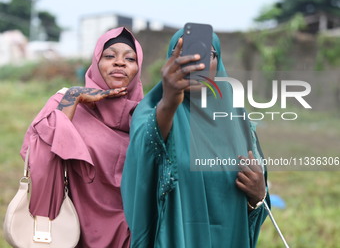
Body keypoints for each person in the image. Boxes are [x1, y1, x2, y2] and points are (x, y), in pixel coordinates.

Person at [121, 28, 270, 247]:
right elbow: (146, 152)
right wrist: (170, 101)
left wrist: (258, 197)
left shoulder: (237, 118)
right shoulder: (154, 111)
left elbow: (254, 199)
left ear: (218, 63)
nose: (195, 62)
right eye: (185, 53)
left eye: (206, 54)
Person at [20, 27, 143, 247]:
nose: (119, 63)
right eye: (109, 56)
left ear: (138, 67)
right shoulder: (65, 102)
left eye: (130, 58)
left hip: (132, 235)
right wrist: (72, 99)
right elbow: (41, 163)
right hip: (72, 232)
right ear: (96, 63)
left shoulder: (146, 115)